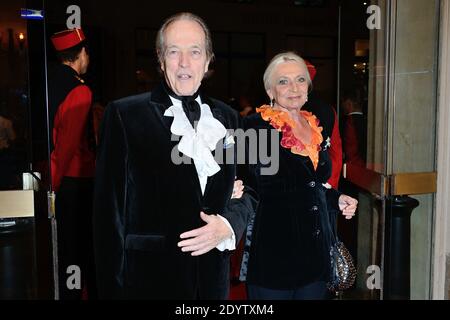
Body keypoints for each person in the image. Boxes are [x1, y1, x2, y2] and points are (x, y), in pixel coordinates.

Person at [93, 12, 257, 299]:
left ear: (207, 61)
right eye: (173, 52)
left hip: (212, 283)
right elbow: (108, 217)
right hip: (149, 282)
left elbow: (252, 188)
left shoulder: (229, 117)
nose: (184, 63)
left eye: (194, 52)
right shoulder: (124, 115)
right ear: (160, 59)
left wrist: (228, 224)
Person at [243, 52, 358, 300]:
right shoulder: (258, 128)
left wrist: (336, 199)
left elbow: (312, 184)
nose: (294, 88)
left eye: (300, 80)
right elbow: (246, 184)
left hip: (316, 259)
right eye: (283, 81)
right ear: (270, 89)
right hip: (275, 260)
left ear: (308, 87)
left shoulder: (313, 123)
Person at [48, 28, 97, 300]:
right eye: (87, 52)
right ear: (80, 55)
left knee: (67, 249)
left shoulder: (51, 84)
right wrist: (51, 188)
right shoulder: (80, 91)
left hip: (61, 180)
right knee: (78, 250)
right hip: (75, 182)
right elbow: (67, 147)